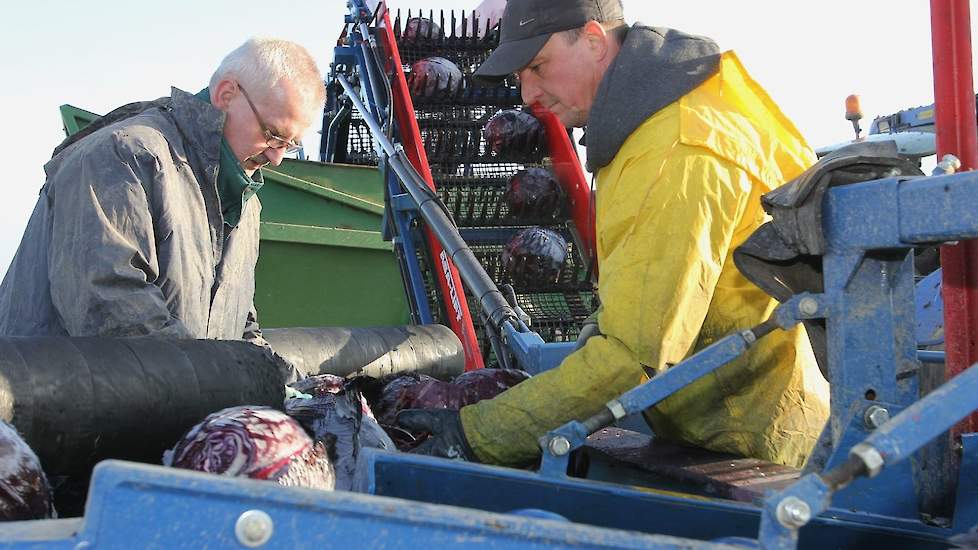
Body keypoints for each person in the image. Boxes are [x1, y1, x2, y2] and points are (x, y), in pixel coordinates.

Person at [397, 0, 831, 468]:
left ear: (593, 40)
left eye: (538, 66)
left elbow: (631, 357)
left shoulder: (676, 151)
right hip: (717, 426)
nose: (526, 94)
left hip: (754, 450)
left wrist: (475, 435)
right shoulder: (650, 122)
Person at [0, 38, 325, 342]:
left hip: (180, 399)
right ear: (227, 94)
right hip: (52, 398)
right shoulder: (123, 157)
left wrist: (280, 381)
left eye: (290, 145)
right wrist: (219, 384)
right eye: (273, 135)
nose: (277, 157)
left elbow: (240, 323)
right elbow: (113, 312)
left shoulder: (245, 205)